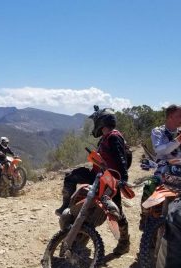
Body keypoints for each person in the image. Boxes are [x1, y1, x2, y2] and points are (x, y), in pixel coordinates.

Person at [55, 105, 131, 255]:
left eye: (96, 121)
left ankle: (124, 242)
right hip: (98, 175)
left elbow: (121, 159)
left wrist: (123, 179)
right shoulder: (106, 137)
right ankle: (68, 213)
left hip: (109, 181)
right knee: (72, 177)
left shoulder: (114, 137)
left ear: (101, 122)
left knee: (117, 212)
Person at [139, 105, 181, 229]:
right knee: (148, 186)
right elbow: (160, 149)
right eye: (180, 116)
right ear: (170, 117)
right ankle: (144, 216)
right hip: (163, 170)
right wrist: (178, 141)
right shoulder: (158, 131)